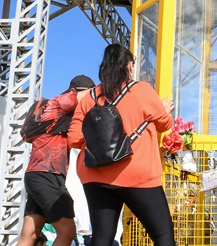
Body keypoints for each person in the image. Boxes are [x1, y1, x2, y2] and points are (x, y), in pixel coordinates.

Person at [68, 44, 176, 246]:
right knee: (163, 235)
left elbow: (74, 138)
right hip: (136, 172)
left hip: (94, 174)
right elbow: (165, 124)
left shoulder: (88, 97)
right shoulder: (141, 90)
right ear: (129, 66)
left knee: (102, 238)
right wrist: (161, 109)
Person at [17, 74, 96, 246]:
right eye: (89, 94)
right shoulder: (59, 103)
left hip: (36, 175)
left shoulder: (62, 114)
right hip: (47, 175)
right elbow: (82, 98)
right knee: (67, 230)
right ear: (74, 91)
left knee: (30, 234)